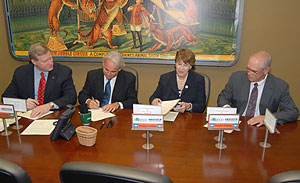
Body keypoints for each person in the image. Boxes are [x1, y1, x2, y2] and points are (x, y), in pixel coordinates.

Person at [218, 51, 299, 127]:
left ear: (266, 70)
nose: (249, 73)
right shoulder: (236, 78)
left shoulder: (279, 86)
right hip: (239, 123)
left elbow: (292, 112)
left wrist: (266, 118)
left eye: (254, 71)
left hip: (261, 128)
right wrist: (226, 108)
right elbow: (223, 97)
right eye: (248, 69)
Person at [2, 43, 77, 118]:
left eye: (50, 58)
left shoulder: (63, 72)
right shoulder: (21, 73)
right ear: (34, 62)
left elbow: (71, 97)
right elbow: (6, 97)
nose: (50, 63)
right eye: (45, 61)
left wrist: (50, 105)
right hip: (28, 116)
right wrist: (23, 104)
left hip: (52, 116)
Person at [149, 48, 206, 113]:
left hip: (189, 118)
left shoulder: (198, 80)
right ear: (175, 63)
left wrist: (188, 106)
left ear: (190, 67)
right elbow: (153, 97)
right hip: (168, 116)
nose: (181, 68)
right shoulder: (165, 78)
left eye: (185, 65)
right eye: (179, 64)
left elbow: (201, 105)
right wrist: (154, 100)